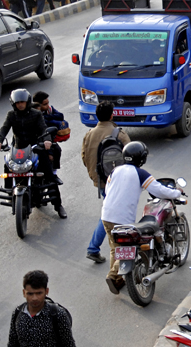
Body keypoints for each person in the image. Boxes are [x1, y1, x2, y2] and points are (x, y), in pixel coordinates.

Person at [101, 141, 181, 293]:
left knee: (115, 248)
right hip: (123, 219)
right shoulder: (140, 173)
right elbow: (158, 190)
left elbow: (107, 190)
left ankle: (118, 280)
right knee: (131, 247)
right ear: (141, 158)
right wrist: (177, 193)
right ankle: (113, 275)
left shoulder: (115, 171)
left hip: (106, 215)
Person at [0, 89, 67, 219]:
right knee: (7, 166)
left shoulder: (36, 114)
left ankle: (58, 206)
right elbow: (4, 128)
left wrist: (46, 141)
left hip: (35, 148)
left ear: (27, 102)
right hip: (18, 149)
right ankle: (10, 193)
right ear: (13, 103)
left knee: (49, 174)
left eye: (22, 102)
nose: (20, 105)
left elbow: (43, 129)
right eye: (18, 103)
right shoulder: (11, 115)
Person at [81, 101, 131, 263]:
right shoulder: (119, 134)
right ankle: (95, 248)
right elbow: (131, 156)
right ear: (112, 115)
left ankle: (98, 249)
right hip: (117, 182)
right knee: (111, 215)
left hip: (101, 181)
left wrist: (96, 177)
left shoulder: (89, 134)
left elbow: (84, 157)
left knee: (109, 212)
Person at [8, 270, 75, 347]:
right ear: (24, 293)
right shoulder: (17, 313)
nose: (34, 298)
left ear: (46, 291)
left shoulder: (58, 314)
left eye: (39, 293)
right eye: (30, 294)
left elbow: (69, 344)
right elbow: (12, 343)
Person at [32, 91, 65, 181]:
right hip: (36, 140)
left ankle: (54, 174)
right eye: (44, 104)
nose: (47, 106)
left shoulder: (49, 110)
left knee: (57, 150)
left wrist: (47, 117)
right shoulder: (31, 114)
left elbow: (60, 116)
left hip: (48, 138)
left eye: (47, 103)